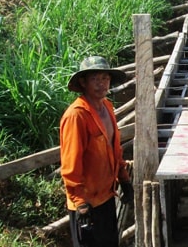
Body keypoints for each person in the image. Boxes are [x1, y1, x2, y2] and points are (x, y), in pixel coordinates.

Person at [60, 56, 134, 247]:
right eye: (95, 79)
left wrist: (123, 179)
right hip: (87, 203)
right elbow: (70, 164)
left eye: (105, 78)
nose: (102, 84)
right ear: (83, 82)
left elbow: (113, 148)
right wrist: (80, 203)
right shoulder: (76, 116)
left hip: (106, 196)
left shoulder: (107, 107)